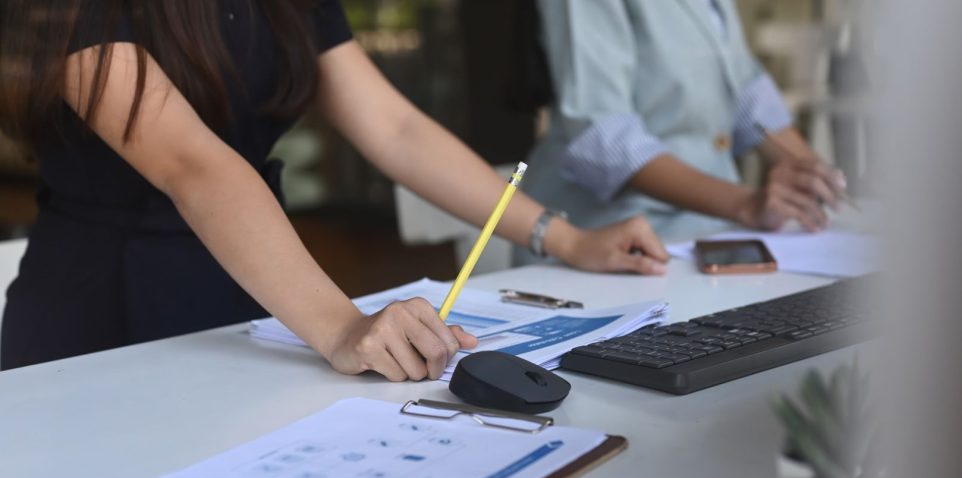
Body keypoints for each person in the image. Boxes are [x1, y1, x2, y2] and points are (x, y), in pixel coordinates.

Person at [0, 0, 670, 377]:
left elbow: (396, 128)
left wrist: (564, 235)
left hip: (259, 292)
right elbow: (192, 163)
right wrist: (343, 325)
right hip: (107, 318)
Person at [517, 0, 847, 262]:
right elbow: (606, 137)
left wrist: (814, 175)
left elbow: (742, 87)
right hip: (615, 238)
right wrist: (747, 204)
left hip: (706, 231)